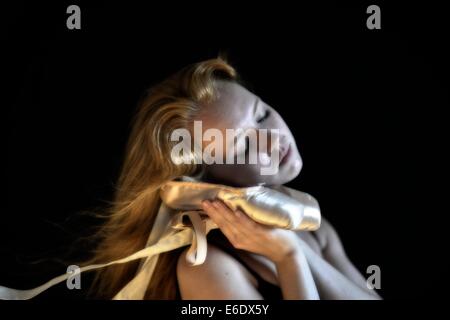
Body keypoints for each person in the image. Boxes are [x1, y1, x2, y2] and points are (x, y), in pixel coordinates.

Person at [86, 56, 381, 300]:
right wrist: (289, 259)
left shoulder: (306, 220)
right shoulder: (205, 268)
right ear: (199, 186)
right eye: (244, 146)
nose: (274, 140)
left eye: (262, 115)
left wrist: (298, 248)